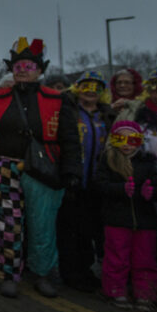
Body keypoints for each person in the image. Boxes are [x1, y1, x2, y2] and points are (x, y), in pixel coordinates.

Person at [0, 37, 82, 299]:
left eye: (29, 66)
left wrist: (72, 172)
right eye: (18, 66)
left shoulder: (58, 100)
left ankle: (42, 274)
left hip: (43, 171)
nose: (22, 70)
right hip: (2, 168)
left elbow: (70, 140)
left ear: (40, 70)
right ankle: (9, 274)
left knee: (42, 225)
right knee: (8, 225)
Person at [92, 120, 157, 310]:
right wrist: (120, 189)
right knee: (116, 257)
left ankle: (145, 294)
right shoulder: (108, 160)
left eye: (132, 139)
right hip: (117, 219)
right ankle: (115, 291)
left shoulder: (147, 161)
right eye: (120, 138)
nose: (126, 144)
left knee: (145, 258)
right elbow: (100, 185)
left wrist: (152, 192)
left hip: (144, 219)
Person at [57, 71, 114, 292]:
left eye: (96, 88)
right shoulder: (69, 112)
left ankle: (86, 270)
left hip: (97, 181)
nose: (91, 92)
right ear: (77, 88)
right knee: (71, 228)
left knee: (91, 228)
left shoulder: (106, 115)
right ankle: (71, 272)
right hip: (72, 179)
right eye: (86, 87)